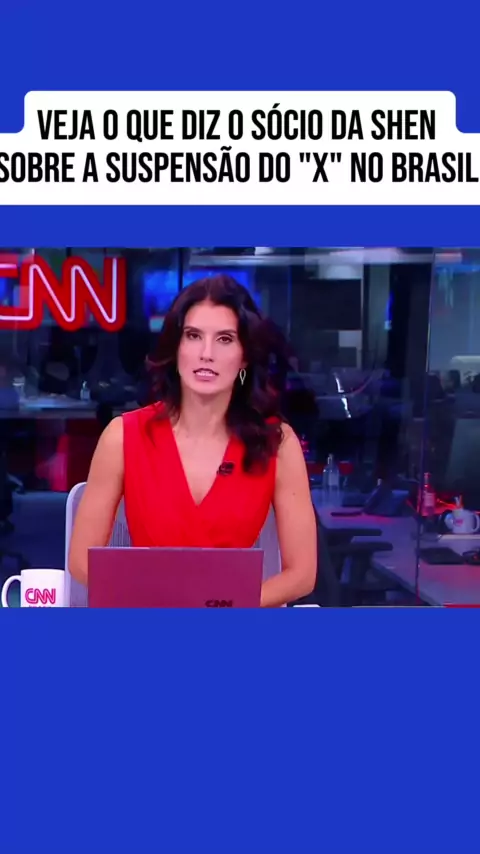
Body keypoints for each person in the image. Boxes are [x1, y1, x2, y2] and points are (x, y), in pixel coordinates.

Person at [68, 274, 317, 607]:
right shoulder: (122, 436)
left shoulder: (277, 443)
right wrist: (155, 600)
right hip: (148, 616)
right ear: (177, 347)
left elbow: (302, 574)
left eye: (225, 339)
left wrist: (224, 606)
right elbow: (81, 561)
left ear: (244, 356)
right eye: (193, 336)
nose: (206, 354)